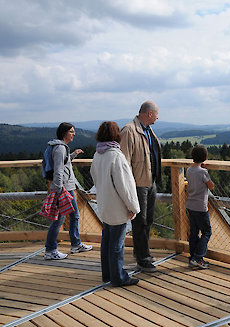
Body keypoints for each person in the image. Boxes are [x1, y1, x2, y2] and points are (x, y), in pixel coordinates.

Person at [90, 121, 141, 286]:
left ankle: (107, 274)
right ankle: (118, 277)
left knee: (107, 242)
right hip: (117, 206)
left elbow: (95, 179)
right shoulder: (116, 156)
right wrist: (133, 207)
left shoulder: (98, 154)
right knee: (117, 245)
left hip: (104, 204)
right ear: (116, 135)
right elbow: (125, 186)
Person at [120, 101, 162, 272]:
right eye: (157, 113)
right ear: (149, 113)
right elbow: (124, 162)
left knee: (148, 220)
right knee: (140, 221)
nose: (158, 117)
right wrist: (129, 187)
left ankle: (141, 252)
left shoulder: (147, 130)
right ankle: (143, 259)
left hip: (150, 182)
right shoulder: (129, 130)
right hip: (138, 184)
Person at [44, 122, 93, 260]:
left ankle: (75, 244)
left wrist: (73, 154)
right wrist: (59, 189)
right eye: (71, 131)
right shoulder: (60, 148)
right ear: (64, 133)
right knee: (58, 220)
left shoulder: (62, 148)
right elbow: (58, 170)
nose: (74, 134)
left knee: (74, 216)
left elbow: (64, 163)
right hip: (63, 189)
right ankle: (50, 249)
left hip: (66, 187)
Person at [186, 145, 215, 269]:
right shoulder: (203, 172)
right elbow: (211, 186)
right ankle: (198, 258)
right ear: (205, 158)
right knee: (207, 232)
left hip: (190, 205)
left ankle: (192, 257)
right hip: (201, 207)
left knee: (194, 233)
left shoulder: (189, 170)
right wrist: (206, 171)